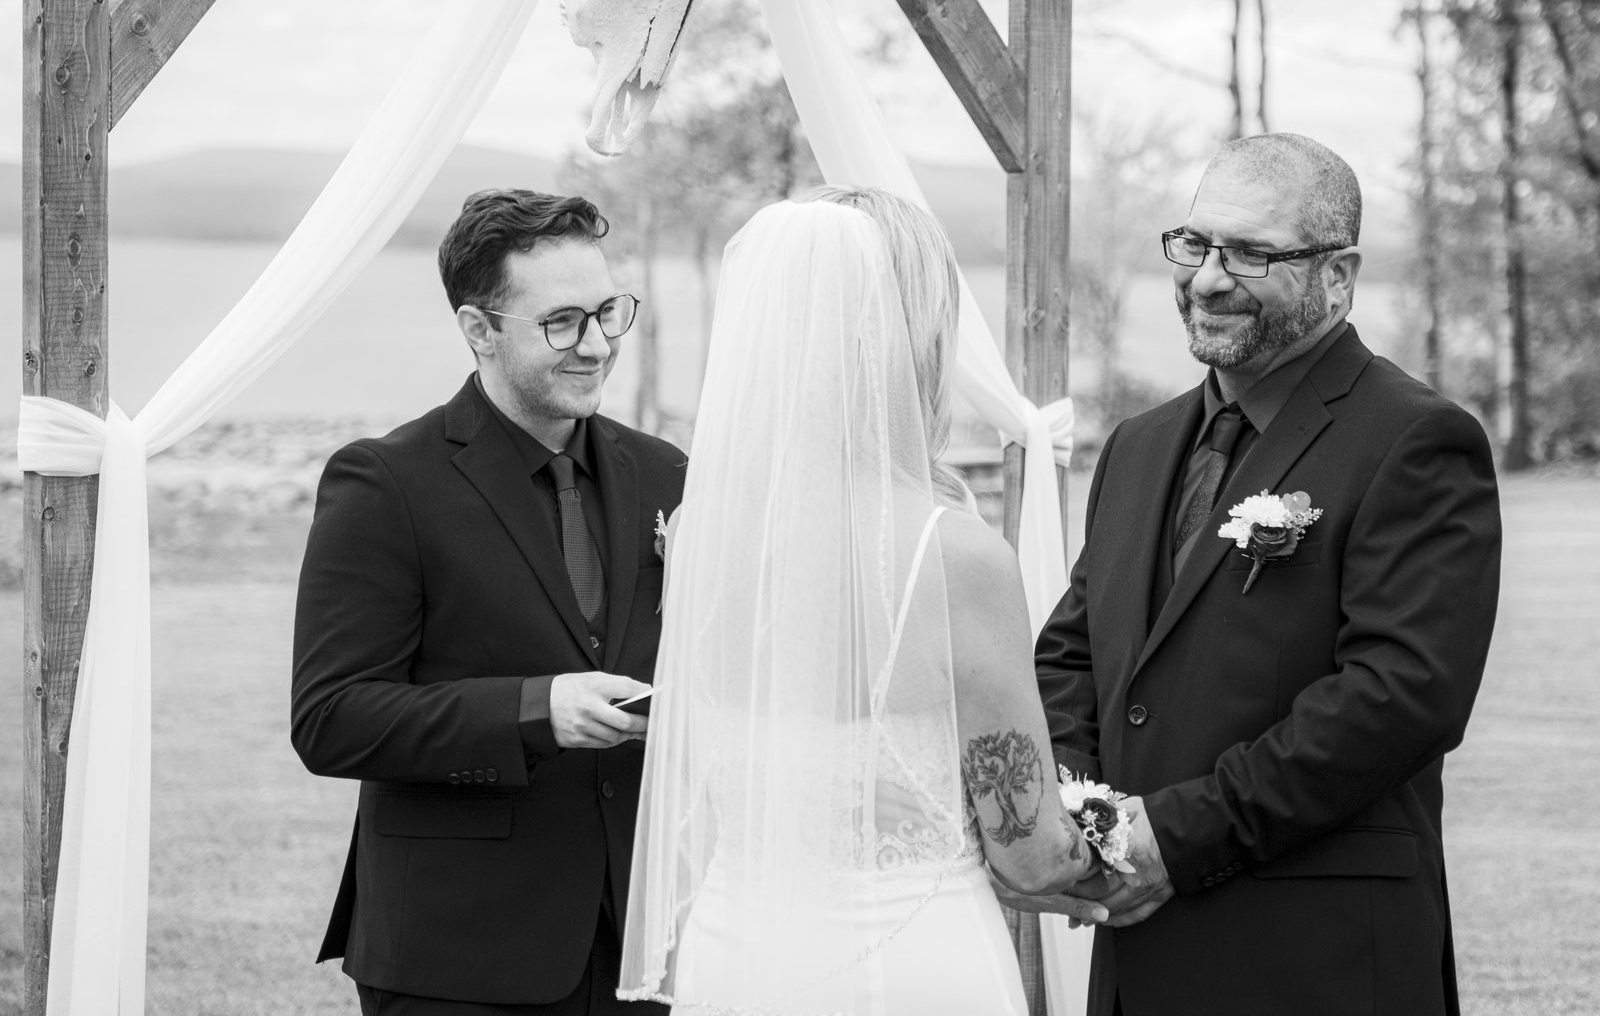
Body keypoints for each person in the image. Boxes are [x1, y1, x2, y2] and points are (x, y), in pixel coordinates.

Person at [1028, 133, 1502, 1016]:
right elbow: (1071, 661)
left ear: (1339, 273)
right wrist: (1091, 830)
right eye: (1197, 244)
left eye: (1251, 253)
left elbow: (1399, 698)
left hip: (1312, 961)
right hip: (1140, 958)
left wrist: (1172, 837)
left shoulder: (1416, 439)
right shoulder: (1136, 447)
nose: (1208, 278)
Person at [616, 187, 1106, 1016]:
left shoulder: (703, 530)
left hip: (734, 952)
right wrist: (1113, 847)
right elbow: (1026, 851)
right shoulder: (954, 555)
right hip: (908, 964)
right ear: (917, 334)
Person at [291, 189, 686, 1016]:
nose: (598, 345)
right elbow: (331, 718)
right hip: (459, 954)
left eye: (610, 313)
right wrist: (536, 710)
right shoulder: (385, 482)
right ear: (479, 331)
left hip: (646, 942)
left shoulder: (667, 473)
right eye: (563, 322)